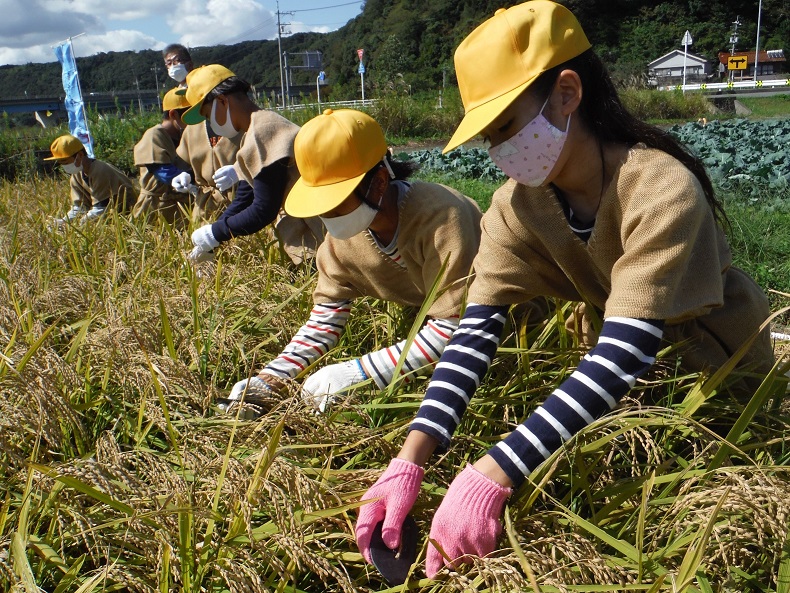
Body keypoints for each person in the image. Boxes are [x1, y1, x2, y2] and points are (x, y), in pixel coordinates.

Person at [354, 0, 775, 579]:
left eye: (506, 127)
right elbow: (475, 332)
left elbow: (626, 347)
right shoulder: (519, 206)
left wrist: (494, 472)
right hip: (623, 390)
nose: (500, 151)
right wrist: (411, 461)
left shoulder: (659, 188)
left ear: (567, 93)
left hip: (717, 377)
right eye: (489, 137)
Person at [224, 108, 482, 414]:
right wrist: (271, 378)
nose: (326, 215)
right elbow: (325, 318)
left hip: (497, 329)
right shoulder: (342, 240)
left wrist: (361, 372)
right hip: (434, 325)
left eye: (335, 200)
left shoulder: (442, 220)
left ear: (379, 182)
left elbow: (454, 327)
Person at [180, 64, 324, 265]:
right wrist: (213, 233)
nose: (210, 123)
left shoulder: (263, 131)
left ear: (222, 101)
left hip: (320, 228)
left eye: (207, 115)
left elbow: (263, 209)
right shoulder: (256, 129)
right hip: (310, 227)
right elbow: (245, 195)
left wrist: (216, 233)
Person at [170, 65, 241, 222]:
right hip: (205, 209)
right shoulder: (192, 129)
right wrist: (185, 176)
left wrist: (240, 172)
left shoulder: (244, 121)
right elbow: (187, 163)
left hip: (241, 205)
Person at [131, 88, 192, 224]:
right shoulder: (154, 135)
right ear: (174, 114)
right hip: (155, 207)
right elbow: (163, 171)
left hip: (181, 207)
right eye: (189, 116)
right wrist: (189, 181)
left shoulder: (184, 135)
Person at [46, 134, 135, 225]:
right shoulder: (77, 175)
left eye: (65, 162)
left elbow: (102, 209)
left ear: (80, 155)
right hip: (108, 215)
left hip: (128, 214)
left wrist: (81, 224)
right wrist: (64, 222)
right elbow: (80, 207)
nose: (64, 166)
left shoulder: (100, 171)